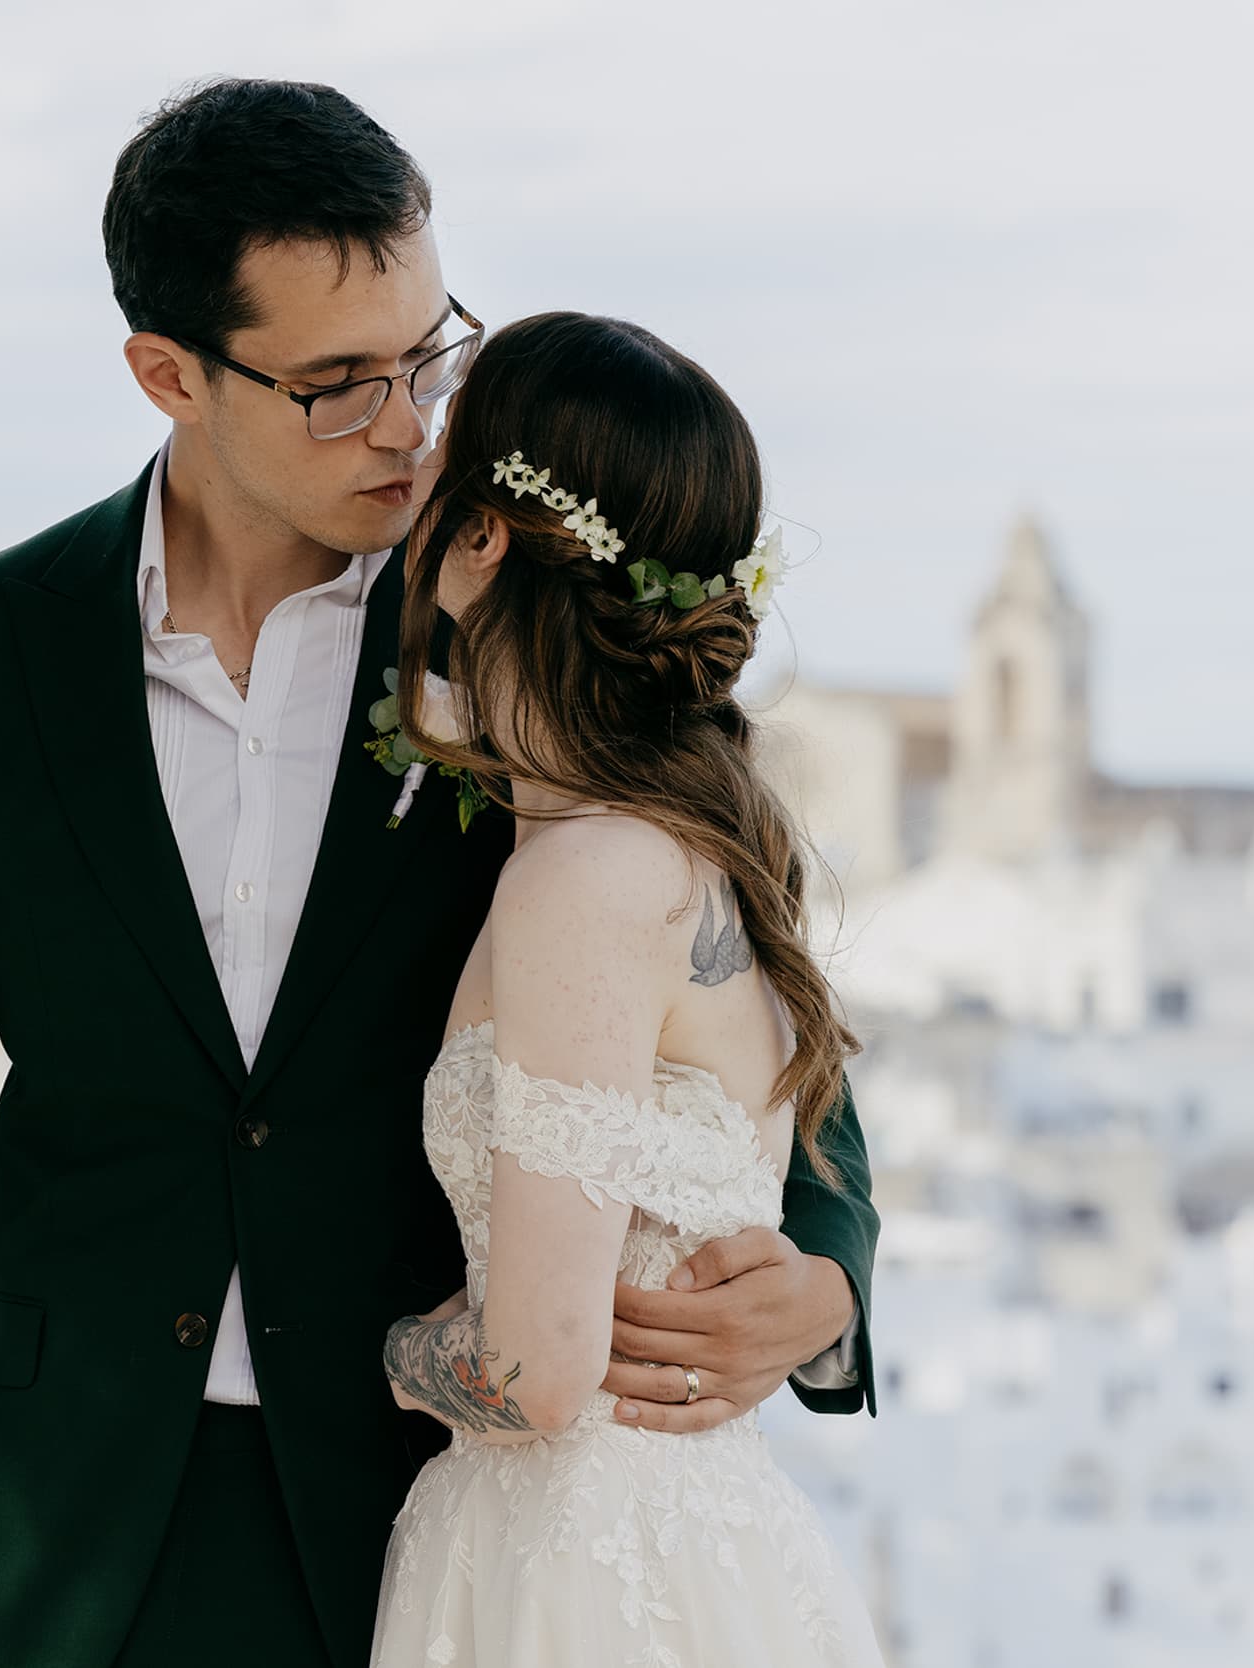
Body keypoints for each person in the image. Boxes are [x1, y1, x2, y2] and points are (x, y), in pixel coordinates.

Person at [0, 80, 883, 1668]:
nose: (409, 427)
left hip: (404, 1527)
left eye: (425, 356)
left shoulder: (508, 643)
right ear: (169, 374)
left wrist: (825, 1285)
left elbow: (740, 980)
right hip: (38, 1530)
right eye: (339, 385)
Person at [361, 310, 884, 1664]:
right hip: (694, 1538)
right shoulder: (712, 847)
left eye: (444, 454)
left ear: (483, 541)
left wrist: (402, 1351)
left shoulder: (582, 879)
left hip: (566, 1564)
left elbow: (535, 1375)